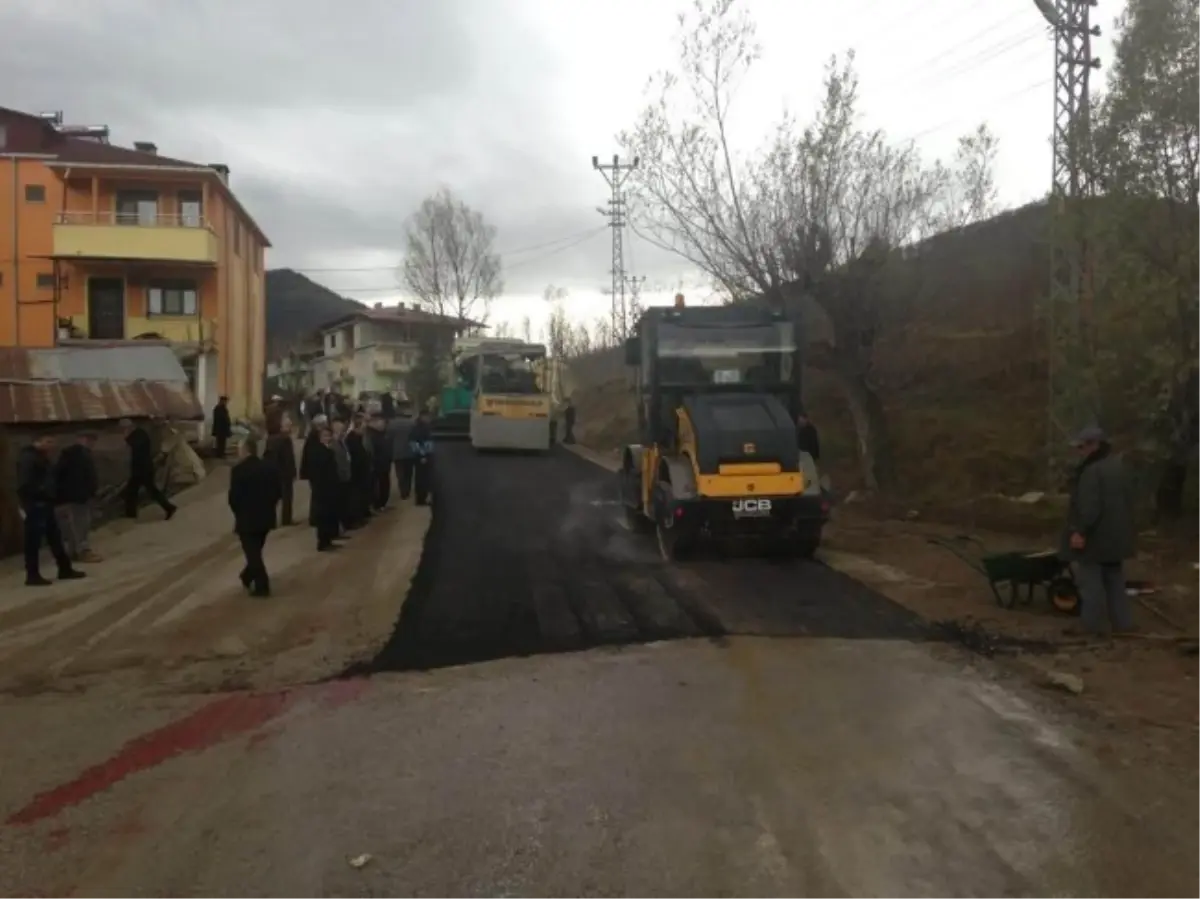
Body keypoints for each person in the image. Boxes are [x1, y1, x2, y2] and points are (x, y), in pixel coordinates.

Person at [1061, 425, 1137, 636]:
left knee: (1090, 582)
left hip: (1096, 539)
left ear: (1094, 445)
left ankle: (1091, 626)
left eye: (1081, 447)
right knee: (1115, 581)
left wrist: (1079, 531)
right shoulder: (1119, 467)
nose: (1079, 452)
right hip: (1118, 538)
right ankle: (1123, 625)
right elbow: (1130, 502)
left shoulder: (1091, 471)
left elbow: (1090, 507)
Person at [17, 435, 86, 587]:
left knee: (55, 538)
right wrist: (40, 495)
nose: (51, 445)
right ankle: (32, 575)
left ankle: (64, 569)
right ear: (37, 442)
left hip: (46, 503)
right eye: (47, 441)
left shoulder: (42, 458)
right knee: (33, 541)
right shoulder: (28, 458)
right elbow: (25, 484)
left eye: (52, 442)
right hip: (35, 505)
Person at [227, 437, 281, 597]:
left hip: (247, 519)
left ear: (246, 450)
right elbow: (278, 492)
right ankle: (247, 576)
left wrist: (238, 512)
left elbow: (234, 498)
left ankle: (262, 586)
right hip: (266, 518)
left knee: (253, 553)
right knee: (255, 550)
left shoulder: (238, 471)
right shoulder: (269, 468)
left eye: (239, 449)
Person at [54, 431, 101, 563]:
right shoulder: (78, 455)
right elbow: (84, 477)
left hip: (71, 497)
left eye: (92, 440)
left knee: (72, 526)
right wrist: (87, 492)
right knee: (81, 525)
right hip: (77, 496)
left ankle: (73, 551)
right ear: (80, 439)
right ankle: (83, 551)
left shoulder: (70, 455)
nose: (91, 443)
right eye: (89, 439)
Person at [121, 419, 176, 520]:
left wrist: (126, 437)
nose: (124, 430)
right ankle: (130, 512)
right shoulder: (138, 434)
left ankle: (169, 507)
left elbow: (134, 445)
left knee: (151, 491)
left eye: (124, 428)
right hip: (140, 469)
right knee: (132, 490)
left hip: (143, 469)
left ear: (130, 426)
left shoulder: (139, 434)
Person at [309, 426, 342, 551]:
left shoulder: (327, 450)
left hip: (329, 488)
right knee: (323, 516)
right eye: (325, 436)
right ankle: (323, 542)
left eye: (329, 436)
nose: (327, 438)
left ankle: (328, 540)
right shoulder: (319, 452)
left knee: (328, 515)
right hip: (323, 489)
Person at [263, 417, 298, 526]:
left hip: (274, 473)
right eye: (289, 426)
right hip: (284, 473)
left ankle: (270, 520)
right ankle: (286, 520)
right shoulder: (285, 440)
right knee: (287, 498)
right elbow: (288, 458)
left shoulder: (271, 439)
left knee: (273, 498)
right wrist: (292, 472)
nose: (290, 428)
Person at [299, 413, 327, 527]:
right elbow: (311, 457)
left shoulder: (313, 437)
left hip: (314, 472)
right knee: (317, 495)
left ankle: (316, 517)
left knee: (317, 495)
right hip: (315, 472)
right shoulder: (314, 438)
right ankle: (315, 518)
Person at [346, 414, 373, 525]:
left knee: (363, 494)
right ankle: (357, 517)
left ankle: (364, 513)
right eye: (363, 427)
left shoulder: (359, 438)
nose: (364, 429)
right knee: (356, 497)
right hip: (357, 473)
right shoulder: (351, 439)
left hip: (363, 471)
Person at [387, 405, 415, 501]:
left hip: (397, 451)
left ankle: (402, 491)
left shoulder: (391, 424)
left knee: (400, 472)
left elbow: (388, 438)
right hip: (410, 451)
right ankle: (407, 489)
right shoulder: (412, 423)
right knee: (409, 472)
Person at [330, 419, 354, 531]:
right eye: (341, 430)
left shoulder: (342, 442)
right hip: (340, 477)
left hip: (346, 475)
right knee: (341, 503)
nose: (343, 432)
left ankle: (347, 522)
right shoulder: (333, 445)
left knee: (346, 501)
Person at [408, 409, 435, 506]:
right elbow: (415, 443)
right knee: (421, 478)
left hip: (424, 455)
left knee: (424, 477)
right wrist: (422, 455)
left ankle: (422, 498)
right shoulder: (419, 428)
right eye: (428, 416)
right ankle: (420, 499)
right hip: (421, 457)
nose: (429, 418)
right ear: (423, 416)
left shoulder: (423, 427)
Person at [367, 414, 392, 510]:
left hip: (385, 464)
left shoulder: (383, 434)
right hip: (377, 465)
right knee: (378, 486)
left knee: (385, 484)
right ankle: (378, 504)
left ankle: (382, 504)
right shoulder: (371, 435)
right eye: (382, 422)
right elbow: (371, 451)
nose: (384, 424)